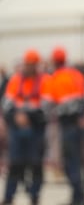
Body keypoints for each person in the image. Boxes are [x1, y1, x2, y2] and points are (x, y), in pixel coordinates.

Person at [1, 50, 50, 205]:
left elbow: (47, 106)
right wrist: (17, 116)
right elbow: (7, 104)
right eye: (26, 64)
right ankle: (9, 197)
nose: (28, 67)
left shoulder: (45, 80)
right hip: (17, 129)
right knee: (15, 164)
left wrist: (28, 116)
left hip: (36, 129)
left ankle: (35, 197)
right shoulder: (15, 80)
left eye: (31, 65)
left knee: (36, 164)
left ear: (36, 65)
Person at [46, 47, 84, 205]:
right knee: (77, 160)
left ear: (54, 61)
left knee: (70, 162)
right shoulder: (77, 75)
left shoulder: (55, 78)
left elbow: (50, 105)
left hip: (65, 124)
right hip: (79, 123)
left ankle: (78, 198)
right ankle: (79, 196)